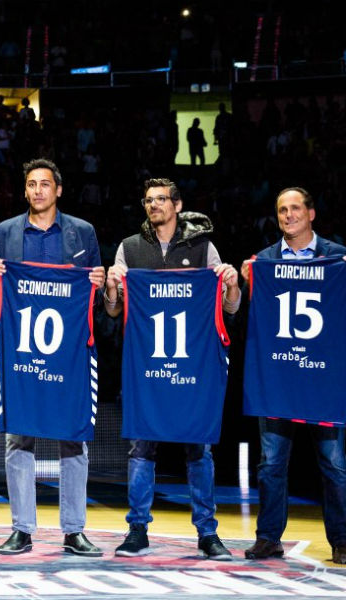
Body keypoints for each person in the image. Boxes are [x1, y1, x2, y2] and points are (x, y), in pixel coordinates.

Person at [104, 178, 240, 560]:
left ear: (177, 205)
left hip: (192, 368)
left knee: (199, 449)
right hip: (146, 368)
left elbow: (230, 308)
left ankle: (207, 534)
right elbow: (113, 310)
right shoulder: (130, 248)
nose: (154, 206)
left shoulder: (202, 247)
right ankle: (137, 529)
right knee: (141, 448)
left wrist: (230, 284)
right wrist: (113, 287)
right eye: (149, 200)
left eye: (161, 199)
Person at [0, 158, 105, 557]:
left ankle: (74, 530)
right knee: (19, 435)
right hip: (22, 351)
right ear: (25, 191)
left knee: (73, 438)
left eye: (45, 184)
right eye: (31, 184)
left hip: (69, 354)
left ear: (59, 190)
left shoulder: (82, 233)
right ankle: (22, 528)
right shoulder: (5, 233)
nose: (38, 190)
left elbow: (96, 299)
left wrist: (100, 284)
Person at [240, 187, 346, 564]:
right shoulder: (264, 260)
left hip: (324, 379)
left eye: (295, 208)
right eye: (282, 210)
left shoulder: (337, 257)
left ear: (311, 213)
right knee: (271, 464)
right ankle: (269, 537)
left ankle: (343, 541)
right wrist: (247, 280)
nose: (289, 216)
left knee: (334, 464)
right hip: (279, 379)